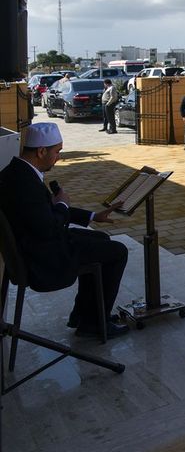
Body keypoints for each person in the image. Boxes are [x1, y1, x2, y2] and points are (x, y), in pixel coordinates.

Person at [0, 122, 129, 338]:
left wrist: (92, 216)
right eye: (57, 152)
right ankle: (95, 324)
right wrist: (62, 205)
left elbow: (44, 210)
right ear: (41, 151)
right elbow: (49, 226)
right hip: (43, 258)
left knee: (100, 238)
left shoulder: (16, 172)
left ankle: (86, 315)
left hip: (35, 245)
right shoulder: (25, 184)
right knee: (118, 252)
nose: (58, 158)